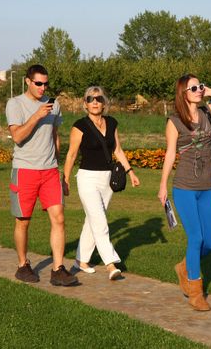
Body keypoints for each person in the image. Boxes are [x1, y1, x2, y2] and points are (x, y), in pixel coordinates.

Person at [158, 74, 211, 311]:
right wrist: (163, 185)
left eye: (200, 86)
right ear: (182, 93)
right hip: (184, 187)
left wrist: (210, 90)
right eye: (193, 88)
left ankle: (185, 266)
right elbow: (170, 154)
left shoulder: (207, 113)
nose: (198, 90)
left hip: (207, 187)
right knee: (195, 238)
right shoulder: (174, 121)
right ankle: (196, 292)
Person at [6, 64, 78, 286]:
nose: (42, 87)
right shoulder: (15, 104)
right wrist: (37, 115)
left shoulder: (54, 105)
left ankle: (57, 269)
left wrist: (57, 165)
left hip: (49, 172)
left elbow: (55, 135)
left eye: (45, 84)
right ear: (27, 81)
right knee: (23, 222)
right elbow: (17, 136)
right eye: (38, 83)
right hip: (25, 170)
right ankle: (22, 265)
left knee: (59, 218)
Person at [63, 86, 140, 280]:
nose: (95, 102)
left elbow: (118, 150)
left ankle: (81, 260)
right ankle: (110, 264)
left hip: (107, 179)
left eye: (98, 98)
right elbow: (72, 154)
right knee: (100, 220)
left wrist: (130, 171)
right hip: (87, 178)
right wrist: (65, 178)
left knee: (92, 220)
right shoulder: (79, 126)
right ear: (85, 104)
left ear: (104, 102)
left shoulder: (112, 123)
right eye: (90, 99)